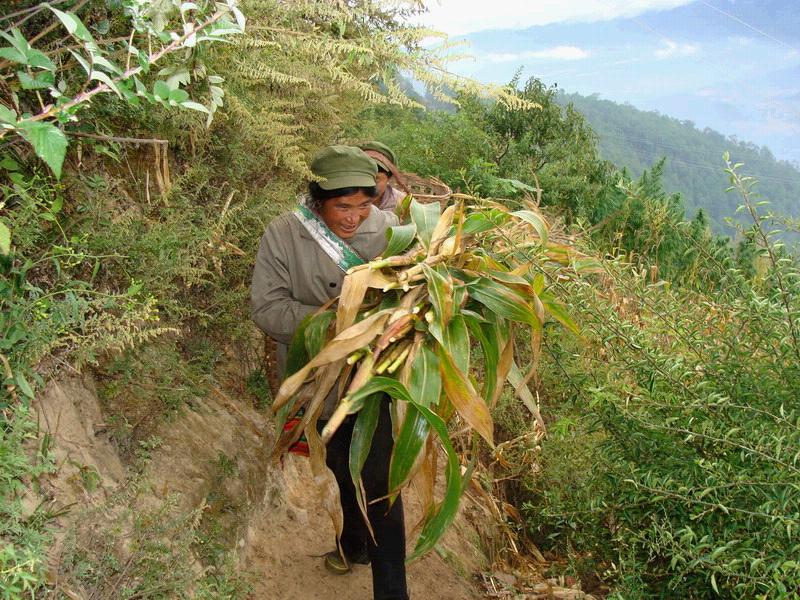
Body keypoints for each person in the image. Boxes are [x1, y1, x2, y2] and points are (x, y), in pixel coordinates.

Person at [250, 145, 409, 600]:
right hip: (317, 381)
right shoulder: (282, 235)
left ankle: (392, 590)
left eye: (364, 204)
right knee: (340, 462)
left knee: (378, 480)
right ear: (317, 200)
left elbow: (410, 287)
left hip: (372, 377)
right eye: (343, 206)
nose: (355, 217)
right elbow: (266, 307)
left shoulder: (390, 230)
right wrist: (337, 325)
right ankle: (353, 542)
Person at [359, 141, 410, 212]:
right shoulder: (343, 200)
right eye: (364, 177)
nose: (369, 184)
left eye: (376, 179)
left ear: (389, 178)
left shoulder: (402, 203)